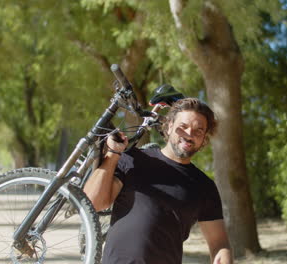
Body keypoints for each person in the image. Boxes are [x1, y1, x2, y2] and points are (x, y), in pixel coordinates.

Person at [84, 98, 233, 264]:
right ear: (169, 127)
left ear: (204, 138)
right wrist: (112, 155)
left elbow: (219, 244)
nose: (189, 135)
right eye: (183, 127)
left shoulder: (204, 186)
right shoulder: (134, 159)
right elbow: (93, 202)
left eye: (198, 131)